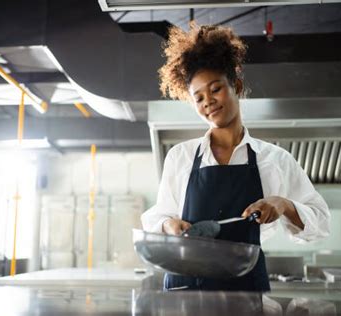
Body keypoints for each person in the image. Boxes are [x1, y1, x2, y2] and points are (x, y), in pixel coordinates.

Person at [141, 23, 330, 292]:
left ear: (237, 86)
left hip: (246, 293)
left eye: (216, 89)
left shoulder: (275, 160)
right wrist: (169, 225)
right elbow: (157, 217)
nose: (208, 101)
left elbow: (321, 224)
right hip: (185, 292)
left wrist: (283, 204)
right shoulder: (180, 157)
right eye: (199, 97)